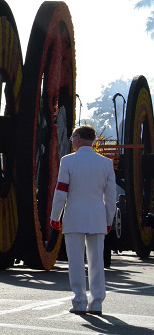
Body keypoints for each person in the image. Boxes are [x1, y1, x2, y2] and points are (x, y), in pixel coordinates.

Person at [50, 125, 116, 316]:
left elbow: (61, 190)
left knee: (76, 262)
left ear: (78, 138)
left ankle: (79, 301)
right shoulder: (106, 163)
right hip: (97, 217)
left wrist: (55, 216)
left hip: (74, 216)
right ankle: (97, 303)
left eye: (72, 137)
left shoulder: (68, 160)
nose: (71, 140)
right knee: (96, 261)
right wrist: (108, 219)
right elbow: (110, 198)